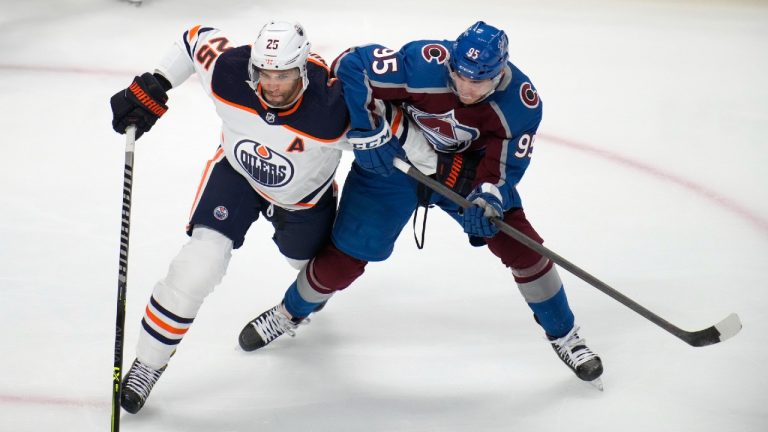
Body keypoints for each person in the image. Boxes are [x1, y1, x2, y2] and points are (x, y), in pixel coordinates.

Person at [238, 21, 604, 388]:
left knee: (524, 248)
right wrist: (367, 131)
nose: (465, 88)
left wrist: (489, 197)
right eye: (459, 76)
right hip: (393, 165)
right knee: (346, 257)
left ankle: (565, 336)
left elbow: (505, 170)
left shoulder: (521, 103)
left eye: (478, 82)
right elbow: (352, 63)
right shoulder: (424, 62)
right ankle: (289, 314)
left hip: (464, 175)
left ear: (500, 74)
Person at [109, 21, 353, 413]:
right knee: (197, 265)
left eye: (284, 75)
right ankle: (149, 363)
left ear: (303, 71)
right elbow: (195, 39)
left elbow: (391, 135)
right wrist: (157, 83)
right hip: (237, 177)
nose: (272, 85)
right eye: (265, 74)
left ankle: (295, 308)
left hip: (304, 201)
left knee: (309, 268)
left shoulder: (334, 108)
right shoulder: (229, 71)